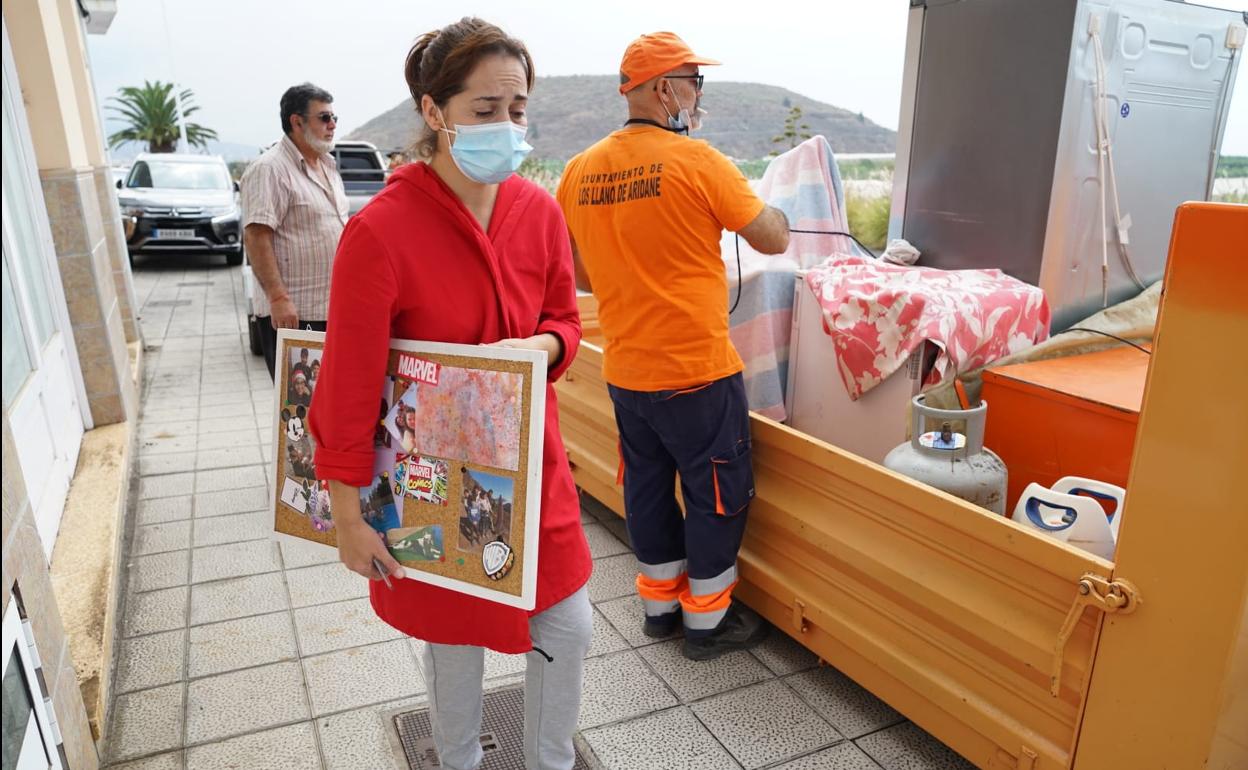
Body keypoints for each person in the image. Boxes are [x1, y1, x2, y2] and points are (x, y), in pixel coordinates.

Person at [307, 18, 591, 770]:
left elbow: (565, 317)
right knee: (453, 644)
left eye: (519, 108)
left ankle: (551, 762)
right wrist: (344, 515)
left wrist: (544, 345)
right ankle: (458, 759)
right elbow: (348, 383)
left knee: (567, 627)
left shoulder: (539, 210)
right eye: (486, 110)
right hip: (434, 480)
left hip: (536, 469)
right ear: (434, 112)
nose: (507, 125)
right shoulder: (380, 232)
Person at [555, 31, 791, 662]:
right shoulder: (699, 161)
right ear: (665, 89)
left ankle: (660, 609)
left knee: (649, 488)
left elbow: (577, 277)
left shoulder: (578, 172)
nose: (698, 95)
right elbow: (771, 239)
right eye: (695, 82)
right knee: (717, 491)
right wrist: (775, 210)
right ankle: (709, 624)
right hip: (695, 371)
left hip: (628, 374)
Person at [241, 82, 349, 379]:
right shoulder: (270, 169)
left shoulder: (327, 164)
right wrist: (278, 298)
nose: (332, 125)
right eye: (324, 118)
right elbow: (256, 236)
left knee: (329, 404)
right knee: (299, 411)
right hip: (294, 315)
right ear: (297, 122)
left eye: (334, 118)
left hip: (331, 309)